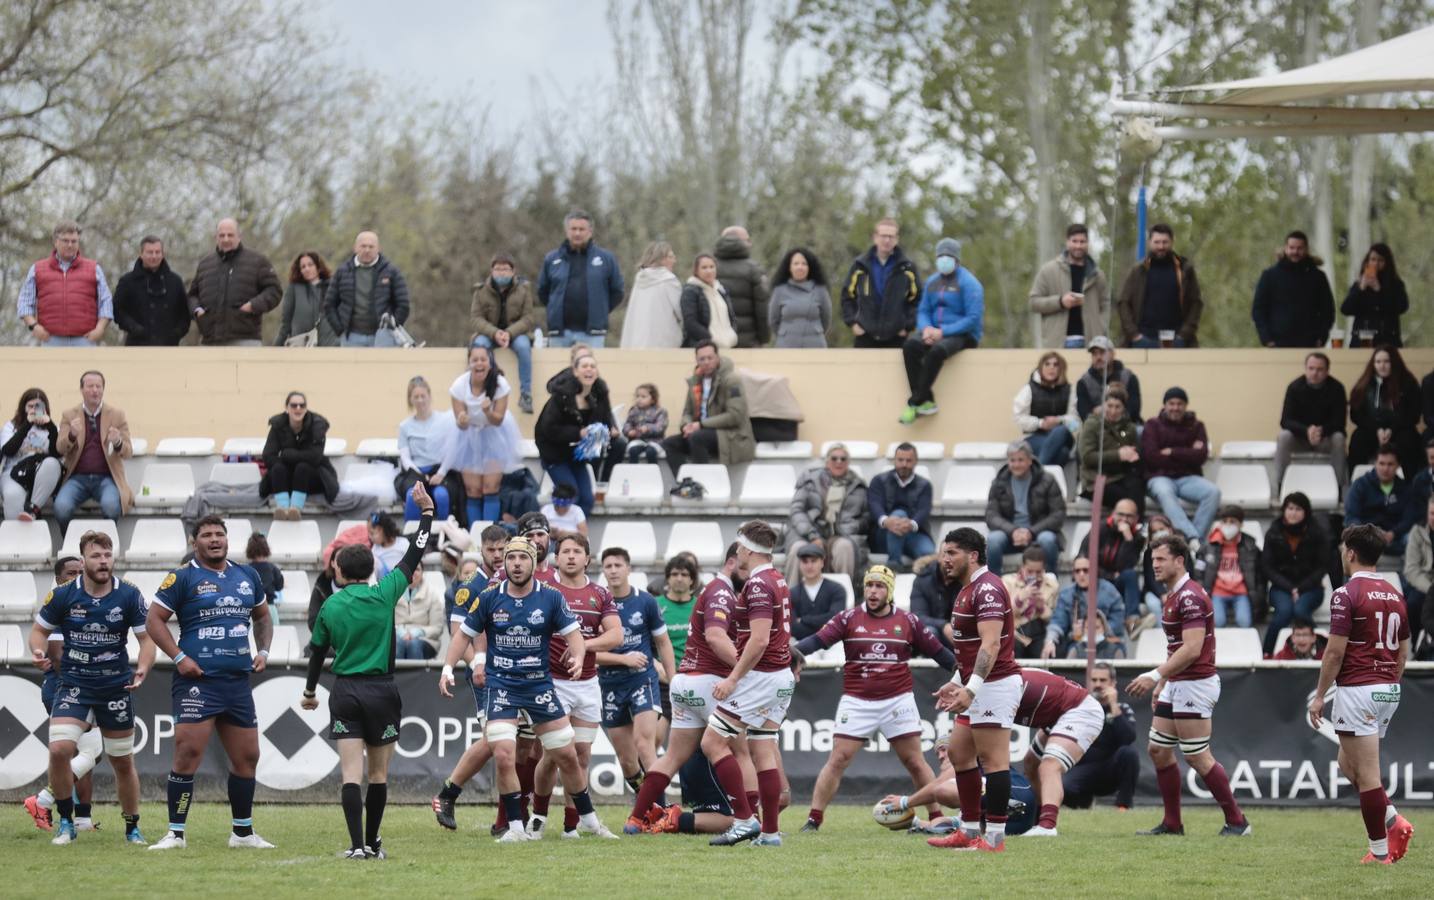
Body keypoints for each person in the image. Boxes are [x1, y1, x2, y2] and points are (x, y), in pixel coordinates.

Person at [441, 536, 614, 842]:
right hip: (502, 686)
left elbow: (574, 635)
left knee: (568, 756)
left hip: (539, 686)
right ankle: (516, 829)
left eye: (523, 558)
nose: (516, 564)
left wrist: (577, 656)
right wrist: (447, 669)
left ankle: (589, 821)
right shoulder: (490, 597)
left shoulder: (550, 597)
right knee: (505, 755)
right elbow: (462, 635)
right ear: (504, 563)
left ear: (533, 563)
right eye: (511, 559)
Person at [303, 484, 434, 858]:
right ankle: (374, 842)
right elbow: (415, 552)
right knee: (378, 775)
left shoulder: (330, 605)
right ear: (372, 568)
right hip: (382, 691)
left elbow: (316, 653)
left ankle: (356, 845)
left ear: (339, 572)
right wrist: (426, 514)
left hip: (345, 691)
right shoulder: (386, 592)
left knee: (350, 774)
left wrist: (311, 691)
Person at [146, 515, 276, 851]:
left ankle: (242, 833)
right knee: (187, 753)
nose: (215, 539)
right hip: (198, 683)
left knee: (248, 757)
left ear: (227, 539)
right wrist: (179, 657)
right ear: (194, 542)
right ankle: (175, 833)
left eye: (220, 534)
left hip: (237, 682)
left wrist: (263, 650)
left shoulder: (247, 575)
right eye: (207, 535)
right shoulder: (183, 576)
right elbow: (154, 620)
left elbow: (262, 616)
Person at [795, 565, 956, 831]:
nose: (872, 591)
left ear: (889, 591)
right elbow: (817, 641)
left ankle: (937, 816)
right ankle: (814, 819)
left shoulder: (908, 621)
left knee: (915, 761)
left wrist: (965, 676)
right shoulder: (848, 618)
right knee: (838, 759)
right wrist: (791, 653)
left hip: (898, 700)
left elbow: (939, 653)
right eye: (869, 585)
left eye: (879, 586)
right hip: (857, 701)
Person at [29, 531, 154, 845]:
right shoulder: (62, 595)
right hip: (74, 684)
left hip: (115, 685)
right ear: (83, 560)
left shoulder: (128, 594)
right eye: (96, 556)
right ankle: (66, 823)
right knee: (60, 750)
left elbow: (147, 639)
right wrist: (37, 651)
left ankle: (132, 827)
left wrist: (143, 666)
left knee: (122, 761)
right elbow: (38, 632)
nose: (103, 562)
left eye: (107, 556)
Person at [1127, 533, 1251, 838]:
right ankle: (1172, 824)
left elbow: (1193, 649)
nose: (1154, 565)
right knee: (1158, 749)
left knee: (1197, 755)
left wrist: (1155, 676)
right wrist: (1165, 681)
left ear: (1179, 561)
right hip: (1179, 682)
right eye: (1152, 559)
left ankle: (1238, 821)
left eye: (1160, 559)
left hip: (1196, 684)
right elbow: (1177, 648)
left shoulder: (1190, 597)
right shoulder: (1174, 595)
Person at [1307, 524, 1414, 865]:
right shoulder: (1395, 594)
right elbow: (1403, 650)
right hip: (1387, 688)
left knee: (1366, 773)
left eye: (1343, 548)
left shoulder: (1345, 593)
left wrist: (1320, 694)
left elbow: (1334, 653)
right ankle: (1392, 817)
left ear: (1350, 552)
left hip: (1359, 688)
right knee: (1346, 762)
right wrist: (1388, 683)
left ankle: (1380, 852)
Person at [624, 543, 743, 834]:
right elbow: (716, 638)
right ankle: (750, 818)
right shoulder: (721, 595)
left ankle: (636, 818)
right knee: (744, 751)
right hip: (707, 683)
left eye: (683, 574)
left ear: (692, 579)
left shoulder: (705, 596)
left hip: (682, 681)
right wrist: (743, 670)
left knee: (672, 755)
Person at [928, 527, 1022, 854]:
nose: (945, 559)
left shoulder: (988, 589)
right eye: (943, 552)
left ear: (972, 555)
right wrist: (957, 682)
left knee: (994, 761)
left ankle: (993, 838)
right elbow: (970, 650)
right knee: (959, 753)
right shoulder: (969, 589)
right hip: (978, 685)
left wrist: (972, 688)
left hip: (994, 686)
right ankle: (968, 831)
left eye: (951, 552)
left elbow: (991, 644)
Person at [705, 521, 795, 847]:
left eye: (739, 548)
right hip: (780, 676)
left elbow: (758, 641)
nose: (737, 553)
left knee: (712, 743)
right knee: (762, 750)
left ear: (746, 549)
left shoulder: (757, 585)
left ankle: (743, 820)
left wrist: (732, 679)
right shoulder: (778, 579)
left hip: (761, 677)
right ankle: (770, 832)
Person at [529, 532, 622, 839]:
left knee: (581, 754)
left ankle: (572, 825)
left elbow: (616, 636)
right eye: (565, 551)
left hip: (587, 684)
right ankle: (538, 816)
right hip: (550, 682)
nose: (570, 556)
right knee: (555, 753)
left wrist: (582, 645)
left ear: (587, 559)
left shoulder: (600, 593)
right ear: (556, 558)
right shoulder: (544, 590)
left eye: (576, 551)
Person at [22, 556, 100, 833]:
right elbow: (57, 657)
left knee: (89, 754)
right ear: (58, 578)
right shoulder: (58, 604)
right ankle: (41, 800)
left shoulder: (88, 603)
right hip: (65, 687)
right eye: (70, 573)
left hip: (84, 685)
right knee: (91, 750)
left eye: (80, 571)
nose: (77, 576)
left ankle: (82, 819)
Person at [596, 547, 676, 793]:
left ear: (628, 569)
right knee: (627, 760)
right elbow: (588, 652)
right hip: (609, 684)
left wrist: (673, 681)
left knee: (645, 745)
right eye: (608, 566)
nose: (613, 570)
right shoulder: (597, 604)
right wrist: (624, 660)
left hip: (642, 680)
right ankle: (645, 802)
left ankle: (659, 812)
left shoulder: (645, 601)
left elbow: (663, 642)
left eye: (618, 565)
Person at [1014, 668, 1108, 836]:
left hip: (1080, 710)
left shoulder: (1006, 684)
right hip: (1058, 713)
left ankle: (1047, 826)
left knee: (1050, 765)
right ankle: (1037, 821)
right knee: (1031, 763)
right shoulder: (1009, 677)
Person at [898, 238, 982, 424]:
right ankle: (926, 401)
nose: (944, 259)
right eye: (941, 256)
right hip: (934, 331)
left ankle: (914, 402)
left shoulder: (970, 283)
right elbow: (924, 310)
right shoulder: (932, 283)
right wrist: (926, 328)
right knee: (911, 346)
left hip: (962, 334)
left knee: (936, 353)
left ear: (957, 260)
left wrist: (942, 332)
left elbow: (973, 318)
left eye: (948, 256)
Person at [450, 342, 523, 525]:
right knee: (472, 490)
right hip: (469, 437)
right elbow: (460, 421)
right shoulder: (459, 385)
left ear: (490, 363)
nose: (479, 363)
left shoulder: (500, 384)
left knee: (490, 487)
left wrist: (487, 411)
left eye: (483, 359)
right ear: (469, 363)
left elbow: (498, 419)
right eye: (475, 360)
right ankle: (475, 537)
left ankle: (490, 532)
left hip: (494, 434)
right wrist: (462, 420)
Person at [536, 350, 615, 516]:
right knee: (572, 497)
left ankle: (576, 537)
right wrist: (579, 433)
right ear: (575, 371)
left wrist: (606, 431)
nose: (589, 369)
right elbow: (549, 429)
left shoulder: (600, 392)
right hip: (553, 453)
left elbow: (606, 418)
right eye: (584, 366)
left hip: (578, 454)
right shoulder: (562, 396)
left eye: (593, 366)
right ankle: (558, 536)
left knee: (587, 499)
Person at [53, 370, 132, 533]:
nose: (95, 390)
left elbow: (128, 452)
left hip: (107, 478)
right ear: (81, 390)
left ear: (103, 389)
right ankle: (71, 546)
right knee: (61, 508)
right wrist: (71, 435)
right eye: (90, 386)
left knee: (111, 507)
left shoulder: (117, 415)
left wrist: (117, 442)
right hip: (76, 477)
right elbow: (60, 448)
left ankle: (105, 547)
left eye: (99, 386)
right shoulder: (69, 415)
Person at [660, 341, 755, 473]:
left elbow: (735, 416)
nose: (706, 362)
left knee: (697, 437)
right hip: (701, 431)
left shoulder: (731, 380)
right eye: (702, 359)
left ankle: (704, 482)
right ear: (697, 360)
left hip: (731, 435)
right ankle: (686, 482)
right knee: (669, 443)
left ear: (717, 357)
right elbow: (687, 411)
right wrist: (687, 425)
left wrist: (701, 425)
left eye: (710, 358)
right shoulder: (695, 381)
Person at [1142, 387, 1220, 544]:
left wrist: (1171, 451)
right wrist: (1188, 453)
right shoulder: (1152, 425)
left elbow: (1200, 456)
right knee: (1165, 493)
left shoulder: (1197, 426)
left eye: (1180, 403)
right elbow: (1151, 457)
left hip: (1188, 477)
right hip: (1159, 476)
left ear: (1186, 405)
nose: (1175, 407)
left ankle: (1194, 543)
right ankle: (1191, 538)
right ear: (1164, 405)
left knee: (1213, 492)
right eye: (1171, 403)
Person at [187, 218, 281, 346]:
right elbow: (192, 295)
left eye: (230, 235)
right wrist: (197, 310)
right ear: (216, 237)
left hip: (246, 340)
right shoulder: (205, 264)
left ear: (239, 236)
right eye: (222, 235)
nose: (226, 239)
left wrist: (252, 306)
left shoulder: (258, 261)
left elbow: (274, 291)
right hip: (209, 341)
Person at [17, 220, 111, 347]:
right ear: (56, 242)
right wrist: (33, 326)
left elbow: (106, 301)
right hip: (50, 340)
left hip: (85, 340)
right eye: (65, 241)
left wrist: (100, 329)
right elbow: (24, 302)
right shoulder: (37, 269)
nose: (70, 245)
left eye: (74, 241)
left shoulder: (94, 268)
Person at [538, 209, 624, 348]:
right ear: (567, 231)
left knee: (589, 369)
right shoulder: (552, 259)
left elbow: (617, 291)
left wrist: (599, 309)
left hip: (593, 334)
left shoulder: (606, 258)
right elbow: (543, 291)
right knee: (559, 370)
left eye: (581, 229)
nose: (577, 233)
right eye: (573, 229)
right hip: (560, 334)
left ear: (590, 231)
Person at [784, 443, 869, 584]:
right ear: (827, 461)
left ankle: (844, 598)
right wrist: (812, 535)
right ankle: (791, 600)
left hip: (839, 535)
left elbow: (866, 518)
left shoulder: (858, 486)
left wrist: (849, 527)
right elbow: (797, 510)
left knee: (845, 548)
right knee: (798, 549)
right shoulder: (810, 480)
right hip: (806, 533)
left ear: (848, 462)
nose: (839, 462)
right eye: (834, 458)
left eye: (843, 459)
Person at [1060, 662, 1139, 812]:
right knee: (1063, 787)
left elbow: (1128, 738)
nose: (1098, 684)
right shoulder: (1080, 708)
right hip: (1084, 768)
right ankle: (1084, 803)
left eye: (1103, 680)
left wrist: (1113, 706)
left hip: (1111, 769)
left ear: (1113, 683)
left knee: (1130, 753)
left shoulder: (1122, 708)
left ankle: (1123, 806)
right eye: (1094, 680)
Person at [1262, 491, 1329, 654]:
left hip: (1311, 587)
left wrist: (1301, 588)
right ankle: (1267, 654)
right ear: (1284, 510)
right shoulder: (1274, 532)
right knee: (1283, 612)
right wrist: (1290, 588)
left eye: (1298, 509)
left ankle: (1323, 654)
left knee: (1300, 610)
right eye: (1290, 508)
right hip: (1280, 587)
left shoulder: (1317, 533)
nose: (1293, 513)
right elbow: (1267, 567)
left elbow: (1323, 566)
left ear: (1306, 512)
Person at [1116, 223, 1202, 348]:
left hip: (1177, 341)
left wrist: (1185, 334)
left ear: (1172, 242)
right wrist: (1134, 335)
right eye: (1157, 242)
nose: (1161, 246)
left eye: (1165, 242)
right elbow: (1123, 302)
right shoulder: (1138, 270)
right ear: (1150, 242)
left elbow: (1196, 303)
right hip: (1143, 340)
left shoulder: (1185, 269)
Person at [985, 440, 1065, 573]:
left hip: (1038, 533)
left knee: (1048, 540)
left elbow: (1058, 515)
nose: (1016, 464)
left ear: (1030, 460)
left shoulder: (1047, 480)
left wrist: (1031, 532)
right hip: (1010, 535)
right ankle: (994, 588)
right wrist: (1013, 531)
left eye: (1020, 460)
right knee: (993, 541)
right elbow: (991, 516)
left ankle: (1051, 584)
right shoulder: (999, 482)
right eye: (1012, 460)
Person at [470, 253, 537, 412]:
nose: (501, 273)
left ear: (513, 271)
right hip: (489, 335)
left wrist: (509, 333)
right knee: (479, 346)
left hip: (515, 334)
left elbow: (528, 318)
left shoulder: (524, 290)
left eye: (505, 269)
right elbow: (475, 318)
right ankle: (484, 390)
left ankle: (526, 394)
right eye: (498, 269)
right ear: (491, 271)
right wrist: (495, 333)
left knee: (523, 347)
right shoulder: (481, 291)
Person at [1275, 352, 1349, 492]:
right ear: (1305, 368)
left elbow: (1339, 422)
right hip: (1300, 439)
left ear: (1327, 371)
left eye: (1320, 369)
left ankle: (1338, 487)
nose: (1315, 373)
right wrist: (1306, 431)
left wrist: (1320, 431)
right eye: (1311, 368)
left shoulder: (1337, 388)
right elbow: (1285, 420)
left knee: (1339, 438)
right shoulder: (1294, 387)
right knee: (1283, 437)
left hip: (1326, 438)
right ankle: (1281, 484)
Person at [841, 217, 920, 348]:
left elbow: (917, 300)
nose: (887, 240)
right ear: (875, 237)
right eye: (883, 236)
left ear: (897, 239)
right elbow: (847, 297)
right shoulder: (859, 266)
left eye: (891, 236)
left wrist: (907, 326)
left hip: (897, 338)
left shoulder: (908, 268)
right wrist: (853, 323)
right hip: (864, 337)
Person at [1028, 223, 1109, 349]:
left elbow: (1106, 305)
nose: (1078, 245)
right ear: (1067, 242)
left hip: (1091, 343)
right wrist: (1060, 302)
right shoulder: (1049, 270)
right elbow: (1033, 302)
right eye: (1074, 241)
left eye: (1082, 242)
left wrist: (1100, 328)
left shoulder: (1098, 275)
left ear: (1088, 243)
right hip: (1058, 343)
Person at [324, 231, 410, 347]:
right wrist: (340, 330)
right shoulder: (342, 272)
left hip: (383, 337)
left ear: (378, 248)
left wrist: (392, 326)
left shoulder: (391, 271)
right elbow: (329, 304)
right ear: (355, 248)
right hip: (351, 337)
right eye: (363, 246)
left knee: (382, 366)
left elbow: (403, 304)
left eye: (371, 246)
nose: (367, 250)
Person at [259, 391, 338, 520]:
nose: (298, 408)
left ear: (306, 408)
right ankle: (283, 509)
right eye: (294, 405)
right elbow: (268, 456)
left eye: (302, 405)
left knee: (303, 467)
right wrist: (286, 460)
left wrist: (287, 455)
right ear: (287, 408)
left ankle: (295, 509)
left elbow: (315, 457)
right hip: (286, 480)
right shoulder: (278, 425)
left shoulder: (317, 425)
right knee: (278, 468)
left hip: (312, 478)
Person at [1347, 345, 1423, 479]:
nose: (1382, 366)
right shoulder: (1364, 384)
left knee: (1409, 440)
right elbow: (1356, 415)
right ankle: (1356, 484)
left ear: (1394, 362)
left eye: (1386, 361)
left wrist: (1391, 430)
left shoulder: (1408, 383)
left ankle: (1410, 486)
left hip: (1400, 430)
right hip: (1372, 430)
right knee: (1358, 439)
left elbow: (1413, 415)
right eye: (1378, 362)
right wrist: (1376, 430)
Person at [1251, 230, 1335, 348]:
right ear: (1285, 248)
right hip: (1277, 344)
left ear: (1306, 249)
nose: (1295, 252)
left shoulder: (1318, 277)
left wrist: (1322, 337)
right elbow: (1258, 310)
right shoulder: (1269, 276)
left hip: (1310, 344)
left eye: (1300, 248)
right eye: (1292, 248)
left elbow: (1328, 311)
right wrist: (1267, 339)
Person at [395, 376, 458, 523]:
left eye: (423, 396)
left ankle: (444, 534)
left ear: (429, 396)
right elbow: (405, 458)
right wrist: (421, 478)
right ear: (410, 399)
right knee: (412, 496)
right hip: (415, 473)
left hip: (440, 472)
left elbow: (452, 451)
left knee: (441, 496)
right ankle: (412, 537)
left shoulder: (444, 420)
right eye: (416, 397)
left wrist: (441, 473)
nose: (420, 400)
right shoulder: (405, 426)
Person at [1043, 554, 1124, 659]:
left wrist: (1094, 629)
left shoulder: (1110, 592)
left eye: (1086, 570)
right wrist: (1050, 641)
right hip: (1077, 643)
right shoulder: (1066, 594)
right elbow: (1057, 622)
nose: (1081, 574)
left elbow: (1117, 624)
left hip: (1107, 642)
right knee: (1059, 650)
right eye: (1077, 571)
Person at [1078, 383, 1144, 514]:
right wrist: (1118, 455)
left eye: (1118, 407)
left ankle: (1136, 528)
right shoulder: (1092, 424)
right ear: (1103, 405)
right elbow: (1087, 457)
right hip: (1096, 481)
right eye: (1110, 406)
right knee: (1128, 501)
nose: (1113, 411)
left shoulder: (1129, 427)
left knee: (1137, 490)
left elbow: (1136, 451)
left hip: (1121, 476)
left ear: (1124, 408)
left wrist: (1134, 454)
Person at [654, 554, 700, 740]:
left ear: (692, 580)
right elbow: (643, 641)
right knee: (656, 737)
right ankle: (650, 769)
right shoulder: (655, 605)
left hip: (694, 679)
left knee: (694, 739)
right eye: (674, 574)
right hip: (663, 679)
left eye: (684, 574)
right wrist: (655, 664)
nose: (679, 578)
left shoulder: (700, 606)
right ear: (667, 578)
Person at [869, 441, 935, 571]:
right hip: (884, 534)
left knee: (928, 556)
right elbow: (874, 505)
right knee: (899, 514)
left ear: (916, 461)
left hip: (914, 533)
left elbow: (924, 510)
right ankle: (894, 565)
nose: (904, 464)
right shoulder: (879, 481)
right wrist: (887, 521)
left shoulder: (924, 485)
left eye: (908, 460)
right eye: (900, 460)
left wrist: (910, 524)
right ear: (894, 460)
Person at [112, 235, 189, 345]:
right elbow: (117, 310)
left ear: (162, 254)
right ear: (141, 254)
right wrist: (134, 328)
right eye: (150, 252)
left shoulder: (175, 281)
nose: (154, 256)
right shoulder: (127, 281)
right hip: (136, 347)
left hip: (169, 348)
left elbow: (184, 315)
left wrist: (176, 333)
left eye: (157, 252)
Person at [1196, 505, 1262, 629]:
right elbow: (1199, 571)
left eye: (1233, 522)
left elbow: (1258, 573)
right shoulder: (1209, 546)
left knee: (1244, 623)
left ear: (1241, 524)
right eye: (1225, 521)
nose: (1228, 525)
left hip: (1241, 592)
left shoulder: (1250, 546)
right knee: (1217, 623)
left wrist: (1257, 593)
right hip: (1218, 592)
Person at [2, 387, 62, 521]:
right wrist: (27, 425)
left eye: (38, 406)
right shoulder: (11, 427)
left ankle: (32, 510)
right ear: (23, 407)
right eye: (30, 406)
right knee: (12, 496)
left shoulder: (53, 428)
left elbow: (56, 454)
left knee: (52, 463)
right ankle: (15, 538)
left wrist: (50, 426)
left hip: (39, 476)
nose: (34, 410)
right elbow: (8, 450)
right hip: (14, 473)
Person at [1013, 351, 1081, 467]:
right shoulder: (1029, 389)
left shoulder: (1069, 390)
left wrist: (1059, 420)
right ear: (1041, 367)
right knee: (1062, 453)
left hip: (1063, 437)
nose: (1051, 368)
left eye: (1056, 365)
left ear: (1061, 368)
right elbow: (1018, 418)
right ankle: (1045, 479)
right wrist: (1040, 423)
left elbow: (1076, 424)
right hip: (1034, 437)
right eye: (1047, 364)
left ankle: (1039, 474)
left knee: (1061, 430)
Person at [1344, 446, 1414, 555]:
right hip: (1366, 537)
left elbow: (1409, 518)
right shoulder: (1360, 485)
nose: (1385, 468)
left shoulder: (1405, 489)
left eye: (1390, 464)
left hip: (1396, 537)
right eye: (1381, 463)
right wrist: (1370, 533)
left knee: (1413, 538)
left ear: (1398, 466)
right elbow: (1351, 516)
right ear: (1375, 463)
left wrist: (1393, 533)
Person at [714, 225, 771, 348]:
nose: (750, 244)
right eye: (747, 240)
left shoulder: (709, 268)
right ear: (737, 240)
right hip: (748, 342)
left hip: (715, 343)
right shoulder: (754, 269)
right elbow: (762, 310)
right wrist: (764, 339)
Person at [1342, 243, 1408, 349]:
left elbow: (1402, 307)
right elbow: (1346, 309)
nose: (1376, 264)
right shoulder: (1359, 284)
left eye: (1380, 260)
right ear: (1367, 262)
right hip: (1362, 340)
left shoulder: (1396, 284)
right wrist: (1361, 289)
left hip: (1388, 341)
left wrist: (1379, 290)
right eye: (1373, 259)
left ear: (1387, 263)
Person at [620, 242, 684, 349]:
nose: (674, 261)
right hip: (664, 342)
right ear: (662, 259)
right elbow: (681, 311)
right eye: (671, 257)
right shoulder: (669, 280)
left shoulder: (640, 279)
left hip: (637, 341)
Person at [1095, 499, 1146, 632]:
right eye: (1120, 514)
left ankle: (1132, 620)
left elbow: (1125, 566)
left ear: (1136, 519)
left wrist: (1128, 539)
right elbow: (1085, 561)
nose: (1124, 519)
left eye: (1129, 516)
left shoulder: (1138, 538)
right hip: (1097, 581)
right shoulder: (1100, 529)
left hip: (1118, 585)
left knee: (1130, 574)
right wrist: (1110, 575)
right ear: (1113, 514)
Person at [768, 247, 831, 348]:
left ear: (810, 267)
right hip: (786, 346)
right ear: (789, 267)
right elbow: (773, 321)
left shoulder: (820, 290)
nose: (800, 267)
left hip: (815, 346)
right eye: (796, 264)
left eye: (804, 264)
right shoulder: (779, 290)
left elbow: (826, 320)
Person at [1002, 547, 1057, 658]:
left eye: (1038, 572)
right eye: (1030, 571)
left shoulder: (1052, 585)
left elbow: (1054, 620)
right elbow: (1002, 615)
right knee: (1013, 645)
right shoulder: (1007, 582)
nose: (1034, 576)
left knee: (1049, 650)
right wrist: (1019, 600)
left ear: (1044, 569)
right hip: (1015, 631)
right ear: (1022, 567)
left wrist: (1041, 608)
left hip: (1039, 631)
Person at [275, 251, 338, 346]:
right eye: (303, 267)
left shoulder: (333, 287)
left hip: (329, 345)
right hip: (301, 345)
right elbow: (286, 324)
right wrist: (276, 347)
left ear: (318, 267)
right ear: (300, 271)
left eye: (310, 265)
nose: (307, 269)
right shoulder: (294, 289)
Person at [1075, 336, 1142, 422]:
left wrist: (1107, 412)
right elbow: (1084, 414)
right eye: (1094, 354)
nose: (1098, 357)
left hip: (1125, 425)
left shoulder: (1129, 377)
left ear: (1113, 353)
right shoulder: (1083, 382)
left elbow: (1134, 410)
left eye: (1102, 352)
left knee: (1140, 430)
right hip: (1096, 427)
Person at [789, 543, 846, 640]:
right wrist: (823, 624)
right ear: (800, 564)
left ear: (822, 563)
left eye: (813, 561)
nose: (809, 566)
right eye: (805, 562)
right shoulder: (792, 593)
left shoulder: (837, 589)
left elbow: (835, 620)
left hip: (832, 644)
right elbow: (793, 628)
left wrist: (803, 619)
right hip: (803, 644)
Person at [680, 253, 738, 349]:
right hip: (702, 347)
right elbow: (690, 322)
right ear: (696, 271)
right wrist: (710, 339)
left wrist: (732, 335)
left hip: (727, 345)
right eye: (704, 267)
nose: (709, 271)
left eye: (712, 267)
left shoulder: (720, 290)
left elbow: (732, 317)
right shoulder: (690, 291)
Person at [910, 542, 961, 647]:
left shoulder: (968, 580)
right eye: (945, 555)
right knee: (929, 632)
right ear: (938, 558)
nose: (949, 561)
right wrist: (943, 625)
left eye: (954, 556)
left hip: (961, 634)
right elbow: (918, 616)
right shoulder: (923, 579)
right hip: (935, 635)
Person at [1401, 495, 1433, 649]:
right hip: (1424, 585)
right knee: (1412, 604)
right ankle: (1415, 646)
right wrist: (1431, 588)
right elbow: (1411, 569)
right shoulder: (1417, 532)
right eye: (1432, 513)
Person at [622, 383, 668, 464]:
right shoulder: (634, 411)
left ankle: (653, 472)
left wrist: (648, 428)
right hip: (638, 440)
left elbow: (660, 427)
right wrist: (628, 431)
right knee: (633, 451)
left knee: (650, 452)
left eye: (643, 397)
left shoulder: (660, 411)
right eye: (637, 396)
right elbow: (628, 423)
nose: (639, 399)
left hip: (655, 441)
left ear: (653, 399)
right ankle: (633, 471)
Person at [244, 532, 284, 611]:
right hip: (269, 607)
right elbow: (279, 587)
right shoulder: (273, 569)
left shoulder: (246, 570)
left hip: (252, 609)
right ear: (266, 548)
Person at [367, 512, 408, 580]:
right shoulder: (374, 550)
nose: (369, 537)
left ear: (383, 530)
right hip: (383, 587)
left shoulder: (403, 543)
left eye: (372, 533)